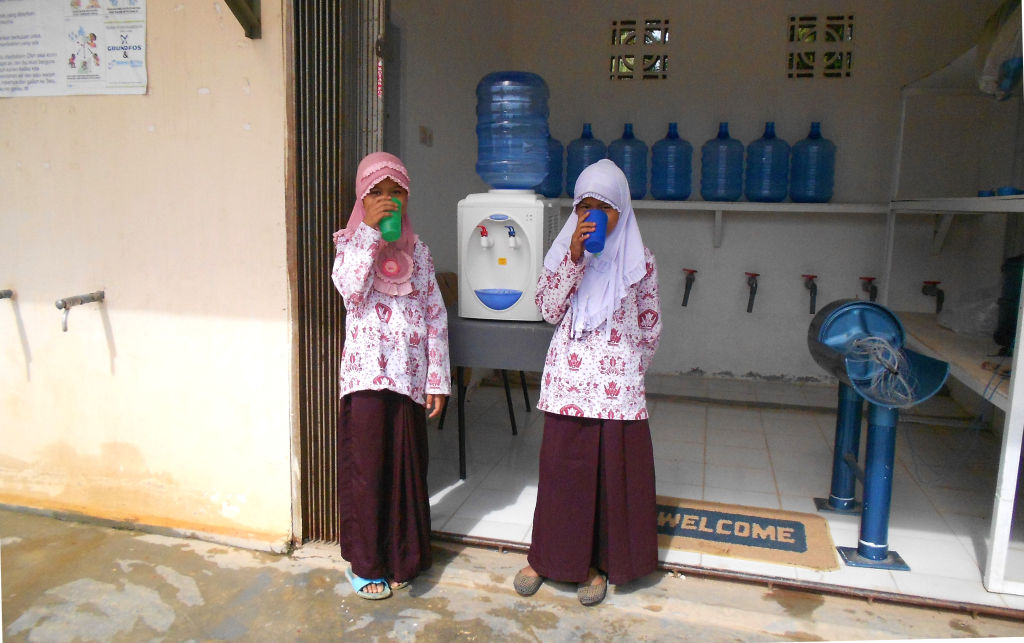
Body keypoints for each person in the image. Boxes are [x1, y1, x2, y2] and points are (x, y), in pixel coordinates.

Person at [514, 159, 662, 606]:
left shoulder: (640, 262)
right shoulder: (564, 254)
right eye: (585, 207)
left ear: (623, 211)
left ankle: (596, 565)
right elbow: (547, 307)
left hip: (616, 391)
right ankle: (546, 558)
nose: (593, 216)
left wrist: (629, 373)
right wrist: (575, 260)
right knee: (561, 474)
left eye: (605, 208)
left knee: (604, 480)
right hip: (568, 385)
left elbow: (651, 324)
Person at [331, 152, 450, 600]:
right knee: (367, 472)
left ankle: (403, 557)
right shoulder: (350, 243)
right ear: (361, 200)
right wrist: (369, 235)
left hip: (409, 379)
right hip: (365, 381)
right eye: (375, 193)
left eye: (394, 192)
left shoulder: (419, 251)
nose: (386, 201)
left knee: (406, 470)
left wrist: (437, 379)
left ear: (407, 197)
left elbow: (435, 316)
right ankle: (364, 564)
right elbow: (348, 288)